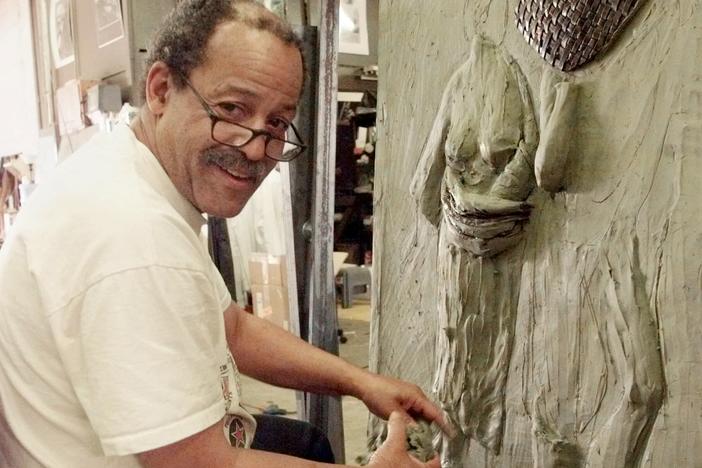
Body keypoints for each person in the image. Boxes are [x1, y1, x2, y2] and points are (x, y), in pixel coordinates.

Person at [0, 1, 450, 467]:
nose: (256, 148)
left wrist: (360, 382)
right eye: (232, 109)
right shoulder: (131, 235)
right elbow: (197, 464)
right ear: (160, 90)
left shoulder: (133, 178)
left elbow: (230, 326)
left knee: (303, 441)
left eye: (276, 123)